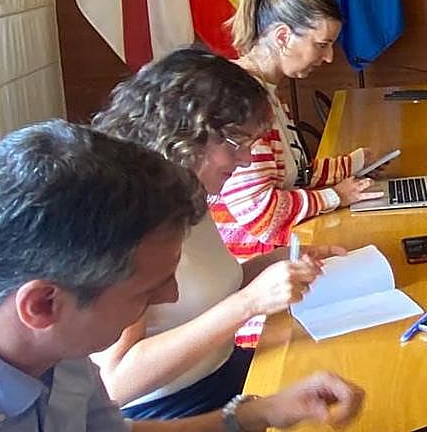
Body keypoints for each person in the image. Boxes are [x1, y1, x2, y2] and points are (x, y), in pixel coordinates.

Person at [0, 120, 365, 431]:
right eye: (146, 291)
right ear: (42, 305)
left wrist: (261, 412)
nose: (171, 296)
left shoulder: (58, 345)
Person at [90, 49, 340, 418]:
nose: (246, 160)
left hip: (225, 373)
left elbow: (204, 291)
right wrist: (250, 303)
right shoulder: (128, 222)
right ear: (184, 133)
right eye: (237, 143)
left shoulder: (189, 192)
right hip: (171, 410)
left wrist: (276, 261)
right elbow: (116, 382)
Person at [213, 0, 381, 268]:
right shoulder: (243, 102)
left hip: (275, 254)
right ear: (282, 37)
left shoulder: (264, 91)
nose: (329, 57)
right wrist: (335, 197)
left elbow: (294, 175)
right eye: (322, 44)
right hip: (254, 266)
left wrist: (356, 162)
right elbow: (262, 215)